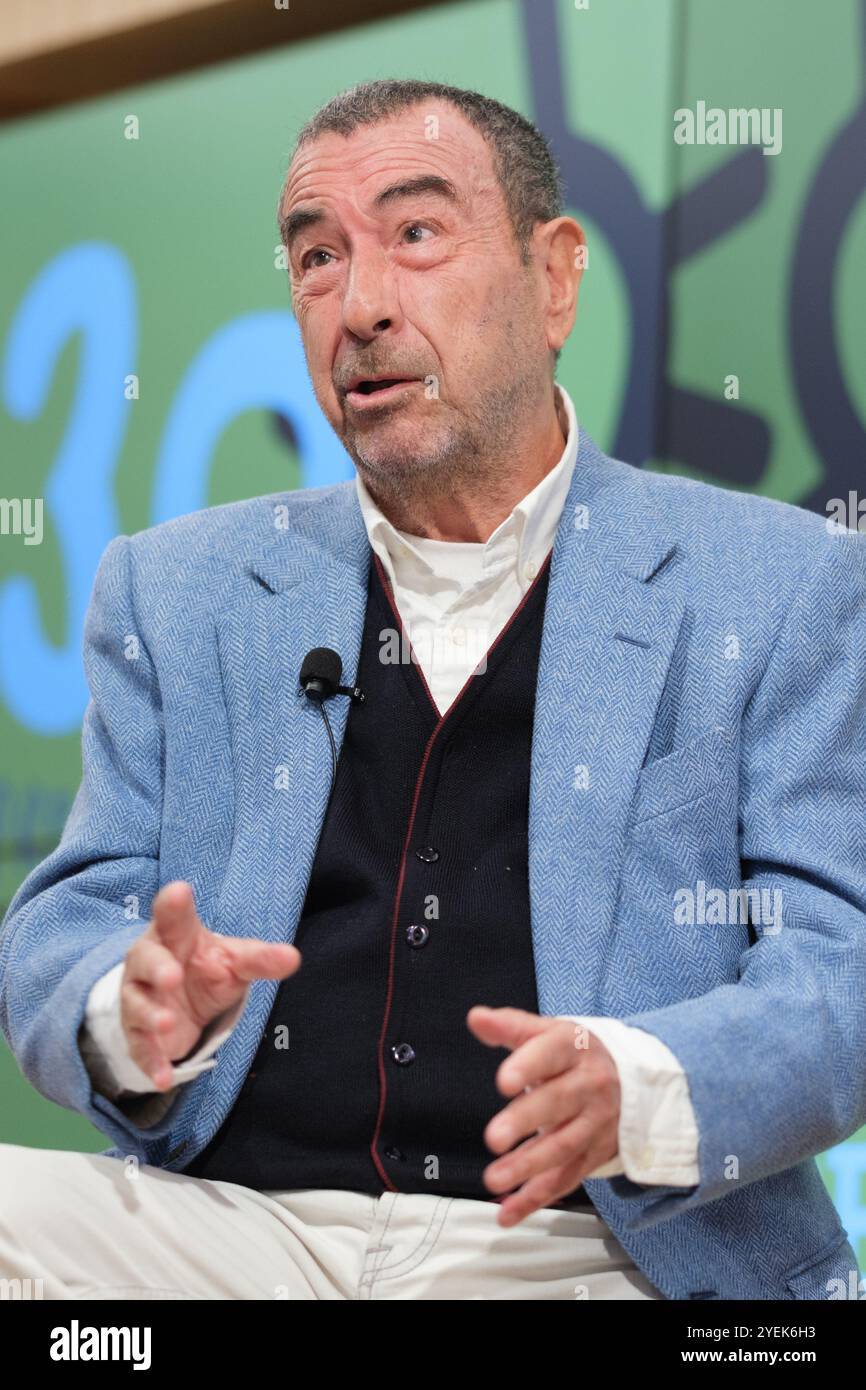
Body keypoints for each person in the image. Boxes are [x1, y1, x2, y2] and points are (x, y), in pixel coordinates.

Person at [1, 79, 864, 1301]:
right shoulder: (175, 589)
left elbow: (841, 965)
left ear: (553, 276)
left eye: (414, 234)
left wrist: (643, 1085)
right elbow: (62, 919)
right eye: (316, 257)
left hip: (589, 1248)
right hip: (238, 1227)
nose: (359, 308)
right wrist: (121, 1009)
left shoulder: (773, 586)